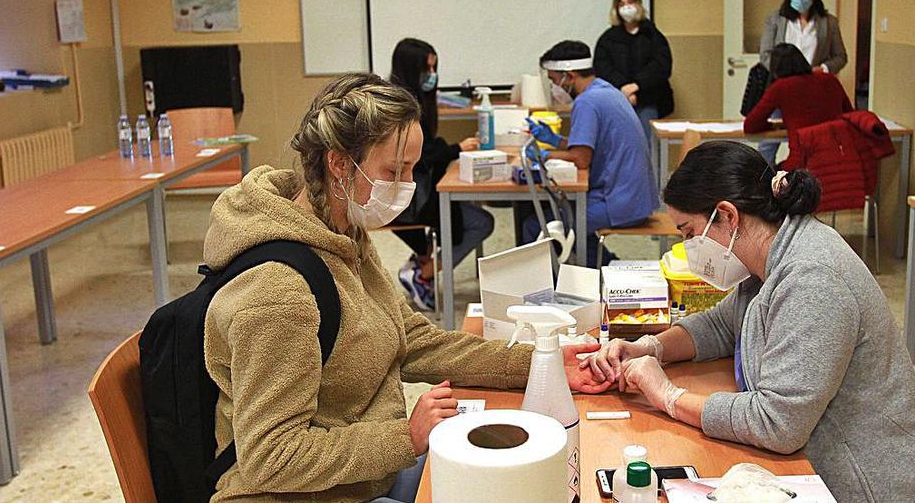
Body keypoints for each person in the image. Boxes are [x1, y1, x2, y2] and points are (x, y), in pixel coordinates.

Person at [201, 73, 610, 502]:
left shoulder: (342, 234)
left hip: (358, 477)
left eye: (411, 170)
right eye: (394, 171)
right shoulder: (277, 293)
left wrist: (538, 362)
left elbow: (410, 339)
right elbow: (271, 457)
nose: (407, 186)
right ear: (339, 163)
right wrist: (405, 437)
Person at [582, 141, 915, 502]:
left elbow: (776, 424)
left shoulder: (813, 278)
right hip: (827, 466)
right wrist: (650, 347)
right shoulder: (768, 257)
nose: (686, 248)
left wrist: (667, 395)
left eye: (689, 233)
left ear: (727, 216)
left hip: (877, 486)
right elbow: (720, 326)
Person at [524, 40, 659, 267]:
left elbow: (581, 159)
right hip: (633, 196)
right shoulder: (605, 90)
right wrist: (555, 140)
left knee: (537, 224)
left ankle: (549, 292)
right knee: (568, 218)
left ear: (570, 75)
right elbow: (589, 146)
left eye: (554, 80)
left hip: (618, 201)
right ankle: (610, 269)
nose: (554, 86)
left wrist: (542, 156)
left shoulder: (587, 102)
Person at [386, 38, 494, 311]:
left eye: (434, 69)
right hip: (410, 197)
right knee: (480, 222)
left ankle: (421, 265)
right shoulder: (399, 105)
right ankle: (424, 274)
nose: (432, 76)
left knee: (468, 217)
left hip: (418, 190)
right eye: (426, 70)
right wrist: (455, 148)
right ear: (411, 70)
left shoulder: (411, 98)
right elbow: (418, 155)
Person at [755, 0, 849, 165]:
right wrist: (785, 73)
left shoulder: (828, 23)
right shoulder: (776, 20)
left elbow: (840, 57)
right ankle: (763, 184)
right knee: (767, 145)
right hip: (783, 89)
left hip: (813, 90)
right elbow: (765, 55)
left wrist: (822, 68)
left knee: (811, 142)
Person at [593, 0, 674, 183]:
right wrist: (624, 88)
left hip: (647, 100)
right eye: (622, 4)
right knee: (617, 149)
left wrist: (637, 86)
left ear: (638, 5)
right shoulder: (608, 38)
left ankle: (651, 189)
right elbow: (603, 67)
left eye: (630, 3)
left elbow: (661, 66)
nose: (626, 8)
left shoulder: (653, 35)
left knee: (647, 147)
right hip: (617, 102)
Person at [743, 43, 852, 135]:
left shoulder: (781, 86)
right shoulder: (830, 79)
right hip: (839, 146)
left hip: (804, 152)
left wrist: (773, 126)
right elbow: (849, 113)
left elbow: (750, 125)